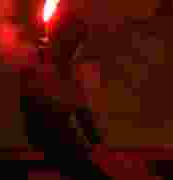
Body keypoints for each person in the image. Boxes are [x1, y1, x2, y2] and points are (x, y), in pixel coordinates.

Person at [20, 12, 109, 180]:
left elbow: (80, 112)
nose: (76, 49)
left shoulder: (58, 67)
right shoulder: (40, 68)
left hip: (57, 141)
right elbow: (76, 112)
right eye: (74, 43)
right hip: (52, 142)